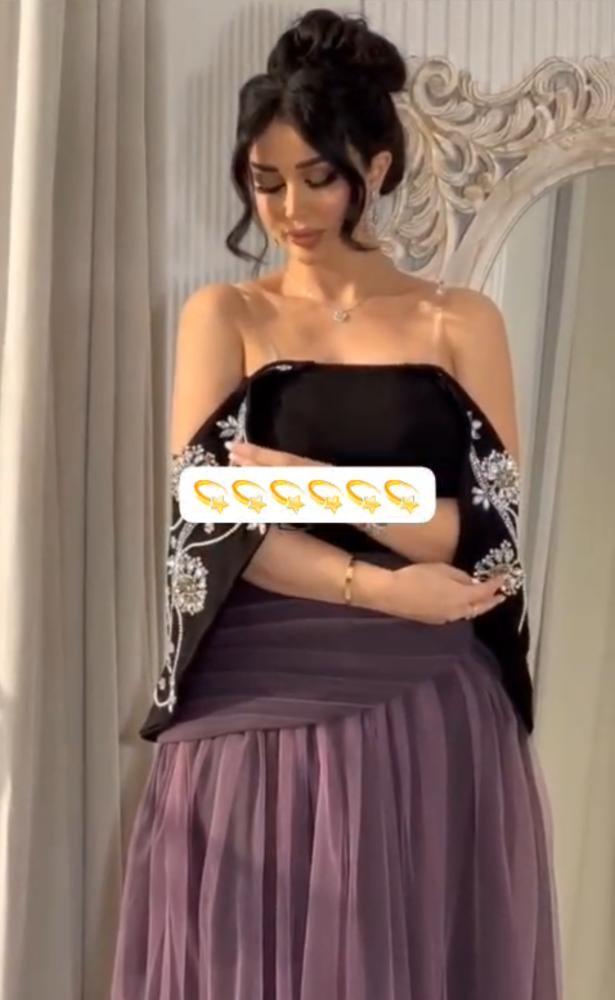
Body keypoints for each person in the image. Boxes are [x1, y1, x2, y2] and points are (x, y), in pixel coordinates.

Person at [111, 9, 563, 998]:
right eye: (265, 181)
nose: (290, 209)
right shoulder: (225, 316)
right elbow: (212, 521)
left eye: (317, 177)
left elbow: (481, 536)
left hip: (427, 702)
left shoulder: (458, 321)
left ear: (377, 167)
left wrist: (291, 480)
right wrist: (384, 580)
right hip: (253, 704)